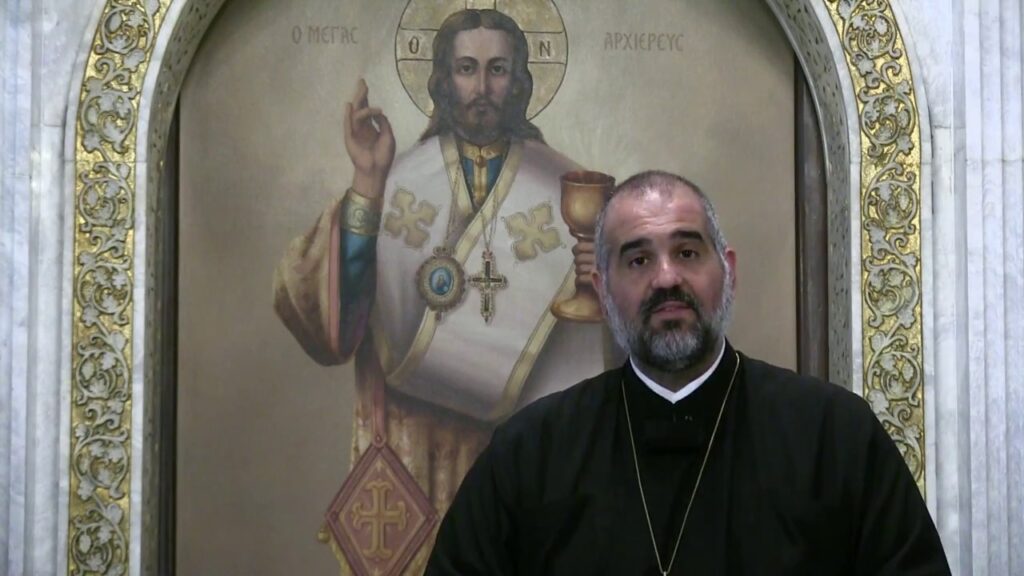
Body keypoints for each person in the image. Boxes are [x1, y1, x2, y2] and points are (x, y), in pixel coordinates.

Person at [425, 170, 952, 575]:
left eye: (686, 251)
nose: (667, 278)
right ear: (604, 293)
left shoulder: (834, 435)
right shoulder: (529, 452)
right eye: (638, 261)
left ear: (728, 273)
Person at [273, 8, 607, 573]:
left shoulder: (569, 190)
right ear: (443, 79)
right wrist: (367, 186)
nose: (482, 88)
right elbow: (335, 328)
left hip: (520, 448)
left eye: (498, 69)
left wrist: (604, 280)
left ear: (521, 79)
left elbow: (606, 355)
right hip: (413, 450)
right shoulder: (393, 180)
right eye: (467, 69)